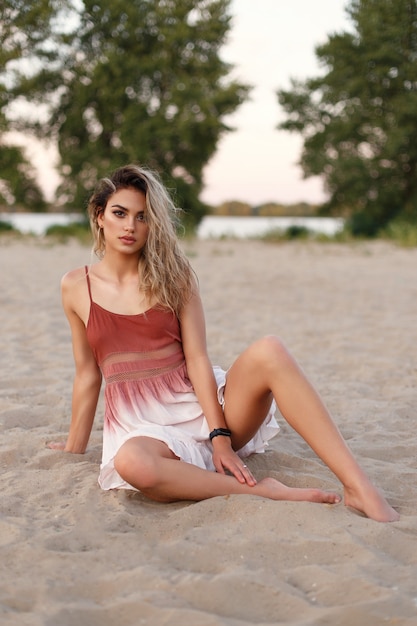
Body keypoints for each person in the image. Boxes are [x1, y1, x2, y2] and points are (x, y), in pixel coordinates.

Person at [48, 164, 399, 523]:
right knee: (132, 462)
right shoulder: (76, 287)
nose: (130, 226)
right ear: (100, 216)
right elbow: (87, 374)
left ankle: (359, 487)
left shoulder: (174, 276)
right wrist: (74, 447)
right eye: (119, 213)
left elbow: (197, 359)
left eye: (142, 217)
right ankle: (262, 490)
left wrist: (219, 437)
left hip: (208, 411)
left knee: (271, 350)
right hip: (144, 430)